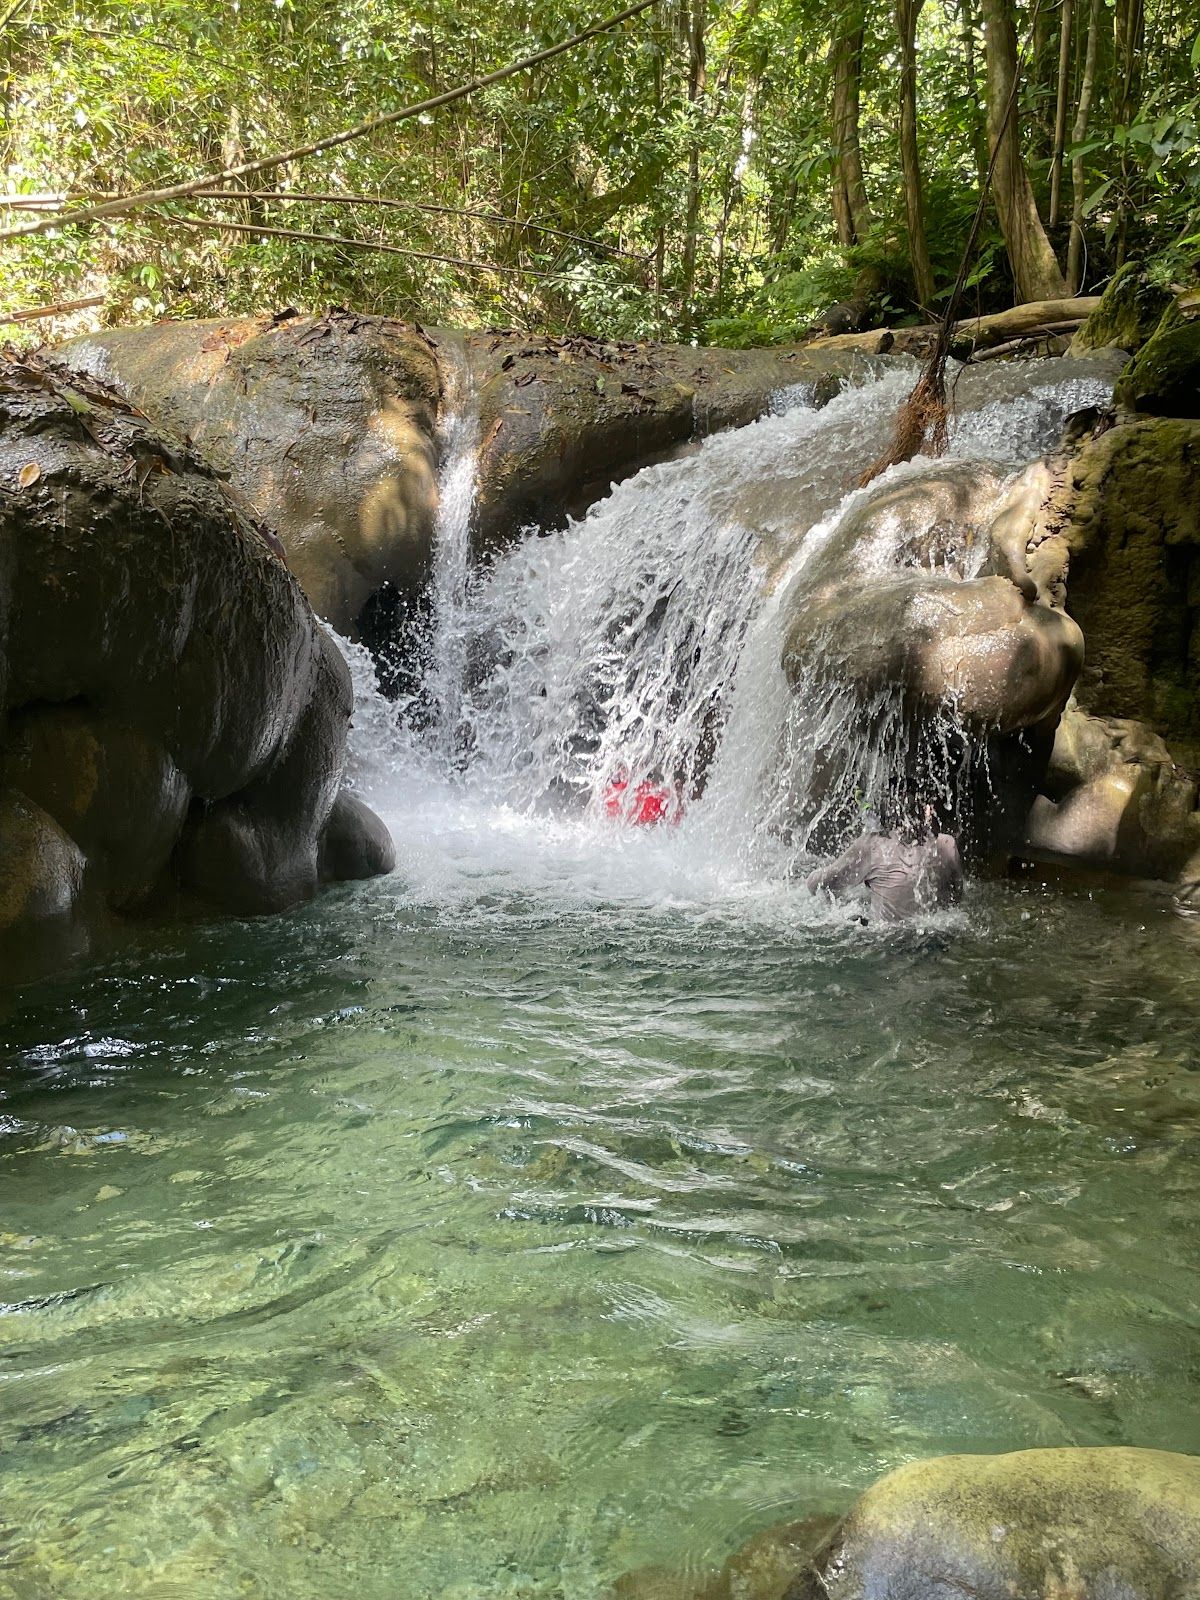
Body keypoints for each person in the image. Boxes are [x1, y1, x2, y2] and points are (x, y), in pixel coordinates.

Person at [805, 806, 962, 922]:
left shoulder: (873, 845)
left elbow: (817, 883)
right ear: (927, 811)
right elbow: (956, 899)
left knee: (853, 919)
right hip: (935, 937)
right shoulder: (947, 844)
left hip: (888, 941)